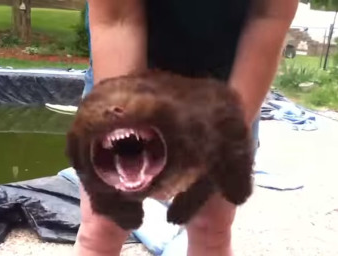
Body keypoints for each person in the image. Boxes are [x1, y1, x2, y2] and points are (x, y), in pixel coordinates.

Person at [75, 1, 298, 256]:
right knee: (104, 226)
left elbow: (268, 16)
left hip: (229, 72)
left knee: (210, 228)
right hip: (129, 56)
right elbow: (118, 21)